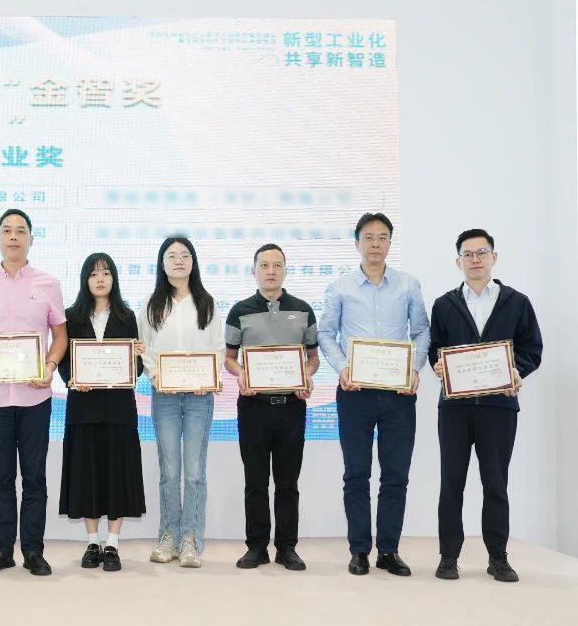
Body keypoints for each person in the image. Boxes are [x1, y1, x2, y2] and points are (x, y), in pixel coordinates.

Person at [318, 212, 430, 577]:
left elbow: (422, 332)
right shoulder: (340, 287)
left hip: (398, 393)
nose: (376, 244)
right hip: (356, 393)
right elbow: (325, 334)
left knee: (396, 475)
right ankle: (359, 550)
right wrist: (342, 368)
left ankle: (389, 550)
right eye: (369, 237)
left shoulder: (408, 285)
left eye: (382, 237)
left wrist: (414, 369)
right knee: (356, 474)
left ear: (390, 243)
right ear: (357, 243)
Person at [429, 229, 542, 582]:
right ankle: (448, 557)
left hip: (498, 407)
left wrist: (516, 370)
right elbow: (435, 349)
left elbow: (532, 349)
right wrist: (437, 365)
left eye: (481, 252)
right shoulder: (444, 304)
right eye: (468, 254)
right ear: (458, 261)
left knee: (495, 483)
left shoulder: (517, 302)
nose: (475, 259)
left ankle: (498, 558)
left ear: (494, 257)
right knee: (451, 482)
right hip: (455, 409)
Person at [0, 208, 67, 576]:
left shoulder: (48, 283)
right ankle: (1, 550)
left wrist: (51, 367)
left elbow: (60, 335)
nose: (13, 236)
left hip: (35, 397)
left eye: (20, 230)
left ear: (31, 239)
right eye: (7, 230)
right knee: (1, 478)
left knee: (35, 477)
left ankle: (33, 551)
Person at [224, 244, 320, 571]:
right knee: (255, 481)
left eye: (277, 265)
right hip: (253, 406)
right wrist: (242, 374)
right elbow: (229, 358)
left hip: (292, 407)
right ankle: (256, 547)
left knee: (287, 482)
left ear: (285, 270)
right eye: (264, 265)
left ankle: (287, 547)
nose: (270, 271)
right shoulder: (239, 311)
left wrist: (307, 376)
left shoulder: (303, 309)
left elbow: (313, 357)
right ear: (254, 271)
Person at [138, 236, 223, 568]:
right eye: (171, 256)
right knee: (170, 471)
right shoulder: (152, 305)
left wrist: (209, 378)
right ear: (162, 264)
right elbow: (144, 347)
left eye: (184, 255)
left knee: (195, 472)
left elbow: (217, 347)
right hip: (165, 397)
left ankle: (191, 540)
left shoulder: (207, 303)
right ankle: (169, 535)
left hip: (200, 397)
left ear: (193, 262)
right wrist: (155, 376)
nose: (178, 260)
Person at [58, 253, 146, 572]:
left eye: (106, 273)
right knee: (87, 474)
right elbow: (64, 360)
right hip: (83, 408)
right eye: (93, 274)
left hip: (119, 409)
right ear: (85, 279)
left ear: (114, 279)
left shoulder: (127, 316)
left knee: (118, 474)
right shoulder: (71, 316)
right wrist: (72, 378)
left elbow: (135, 369)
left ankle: (113, 543)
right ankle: (92, 541)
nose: (100, 279)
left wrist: (136, 356)